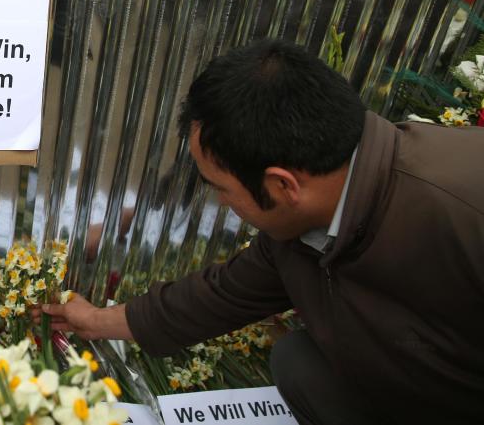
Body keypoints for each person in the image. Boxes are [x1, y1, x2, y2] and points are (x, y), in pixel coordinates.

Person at [40, 38, 484, 425]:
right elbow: (221, 295)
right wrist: (96, 321)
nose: (220, 203)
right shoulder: (311, 219)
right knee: (300, 363)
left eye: (221, 189)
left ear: (282, 185)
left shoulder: (460, 210)